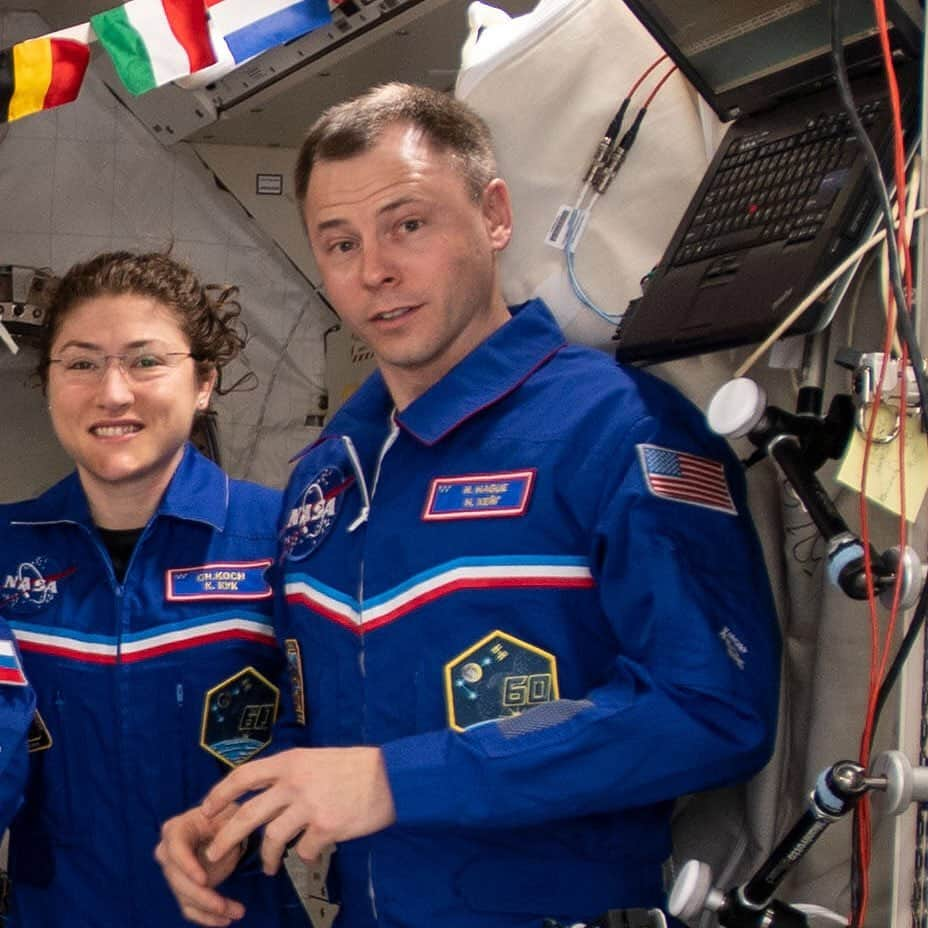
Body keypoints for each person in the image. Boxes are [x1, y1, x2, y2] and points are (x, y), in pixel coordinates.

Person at [156, 84, 781, 928]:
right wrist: (248, 803)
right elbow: (348, 729)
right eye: (339, 243)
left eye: (407, 225)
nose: (373, 268)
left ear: (494, 216)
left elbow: (711, 709)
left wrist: (393, 782)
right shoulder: (327, 478)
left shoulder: (615, 428)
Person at [0, 252, 308, 927]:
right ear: (49, 383)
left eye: (146, 362)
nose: (113, 393)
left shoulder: (283, 537)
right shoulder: (8, 551)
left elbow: (332, 722)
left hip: (233, 908)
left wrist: (241, 821)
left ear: (204, 384)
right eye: (81, 362)